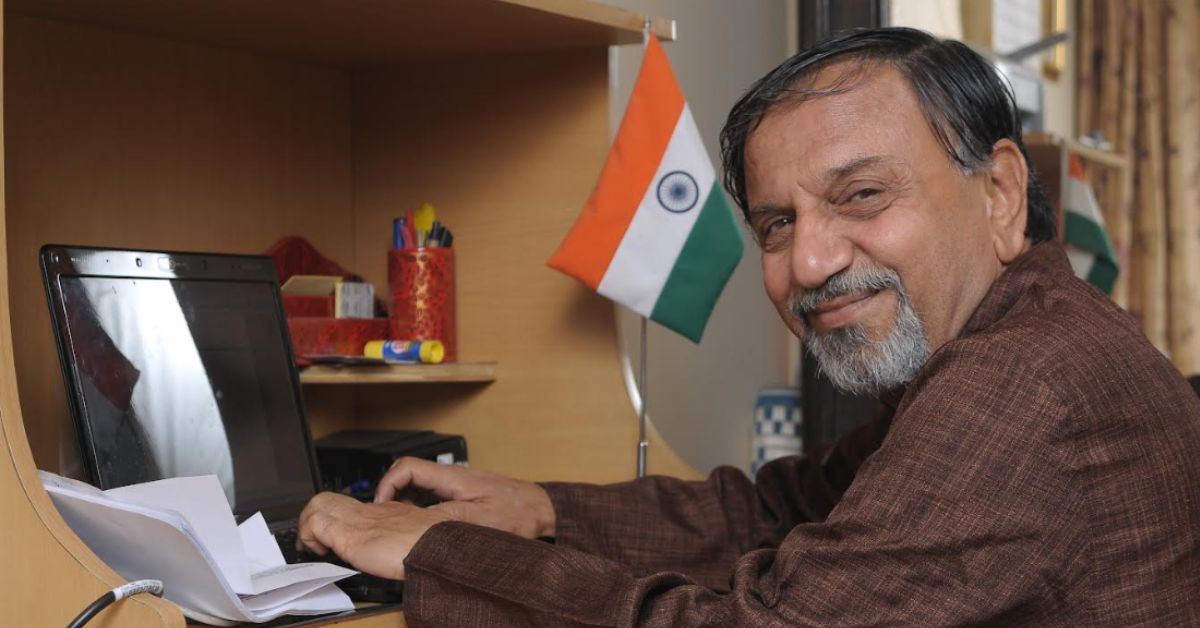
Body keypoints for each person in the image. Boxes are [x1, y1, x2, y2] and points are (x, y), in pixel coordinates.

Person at [298, 28, 1200, 625]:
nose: (808, 263)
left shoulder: (1020, 384)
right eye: (777, 223)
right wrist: (545, 510)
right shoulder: (1009, 339)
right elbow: (776, 511)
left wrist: (442, 556)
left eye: (862, 195)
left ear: (1000, 193)